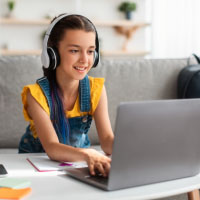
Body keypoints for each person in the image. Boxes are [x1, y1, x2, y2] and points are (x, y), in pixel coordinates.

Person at [18, 14, 114, 177]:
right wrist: (87, 154)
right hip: (35, 164)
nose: (85, 59)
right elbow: (52, 147)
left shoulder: (95, 89)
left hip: (76, 162)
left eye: (90, 51)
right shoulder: (36, 94)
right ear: (52, 54)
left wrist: (132, 150)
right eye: (75, 50)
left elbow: (106, 140)